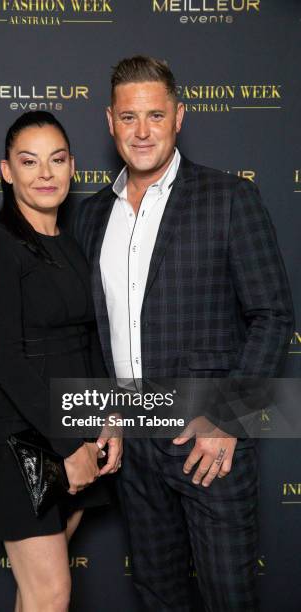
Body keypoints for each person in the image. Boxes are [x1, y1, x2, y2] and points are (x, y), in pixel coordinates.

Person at [71, 56, 294, 611]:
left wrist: (229, 418)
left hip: (206, 441)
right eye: (129, 117)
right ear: (109, 122)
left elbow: (273, 315)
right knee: (158, 595)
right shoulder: (93, 214)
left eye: (155, 115)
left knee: (228, 596)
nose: (142, 131)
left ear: (179, 117)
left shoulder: (228, 198)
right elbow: (82, 325)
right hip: (133, 443)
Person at [0, 111, 122, 612]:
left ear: (72, 166)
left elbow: (89, 340)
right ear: (6, 171)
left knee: (38, 595)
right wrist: (69, 445)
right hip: (21, 438)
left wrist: (109, 421)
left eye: (56, 160)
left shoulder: (71, 246)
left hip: (74, 425)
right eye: (28, 162)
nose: (45, 174)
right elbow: (6, 360)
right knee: (50, 594)